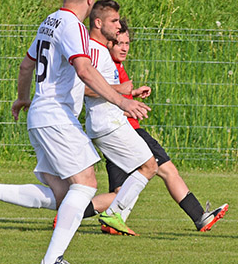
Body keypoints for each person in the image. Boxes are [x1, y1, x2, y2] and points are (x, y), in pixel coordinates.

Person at [0, 0, 150, 264]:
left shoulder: (48, 21)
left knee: (63, 194)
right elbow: (85, 71)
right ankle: (51, 261)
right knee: (87, 183)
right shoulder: (73, 27)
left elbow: (27, 65)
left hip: (40, 114)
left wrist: (22, 97)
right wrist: (123, 101)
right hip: (56, 116)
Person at [91, 19, 229, 232]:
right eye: (120, 43)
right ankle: (200, 216)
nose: (125, 47)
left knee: (120, 194)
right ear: (109, 42)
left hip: (115, 131)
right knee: (166, 170)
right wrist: (124, 95)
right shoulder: (107, 67)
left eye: (127, 43)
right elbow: (96, 91)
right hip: (126, 131)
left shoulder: (113, 66)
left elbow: (110, 97)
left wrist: (131, 95)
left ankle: (73, 213)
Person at [83, 0, 158, 236]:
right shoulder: (94, 51)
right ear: (98, 22)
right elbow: (83, 88)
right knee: (149, 166)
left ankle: (113, 216)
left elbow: (103, 87)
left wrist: (129, 93)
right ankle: (112, 214)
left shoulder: (100, 50)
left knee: (141, 170)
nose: (118, 25)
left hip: (108, 122)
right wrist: (122, 91)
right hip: (107, 123)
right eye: (114, 21)